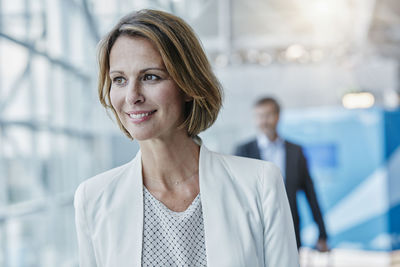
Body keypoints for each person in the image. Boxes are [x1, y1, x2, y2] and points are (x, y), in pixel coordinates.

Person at [74, 9, 299, 267]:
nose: (132, 96)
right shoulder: (93, 199)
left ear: (188, 86)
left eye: (150, 77)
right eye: (119, 79)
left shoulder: (259, 185)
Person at [235, 97, 329, 251]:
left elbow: (310, 194)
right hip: (255, 233)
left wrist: (322, 235)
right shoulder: (244, 151)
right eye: (259, 116)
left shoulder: (295, 151)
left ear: (278, 116)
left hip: (290, 229)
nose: (263, 121)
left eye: (268, 115)